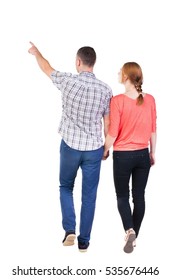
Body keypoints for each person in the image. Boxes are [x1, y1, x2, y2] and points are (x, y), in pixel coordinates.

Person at [28, 42, 113, 252]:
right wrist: (106, 147)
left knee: (66, 187)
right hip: (94, 149)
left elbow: (47, 68)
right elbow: (108, 123)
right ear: (93, 63)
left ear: (78, 62)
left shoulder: (68, 81)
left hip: (70, 147)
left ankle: (69, 230)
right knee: (89, 195)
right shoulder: (105, 90)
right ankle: (84, 242)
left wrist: (37, 53)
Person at [103, 62, 157, 253]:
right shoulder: (150, 99)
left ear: (126, 76)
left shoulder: (117, 100)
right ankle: (133, 237)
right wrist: (152, 152)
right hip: (143, 155)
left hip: (123, 157)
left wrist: (104, 150)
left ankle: (130, 230)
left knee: (122, 195)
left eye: (120, 71)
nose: (118, 72)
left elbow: (113, 133)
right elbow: (153, 129)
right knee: (139, 196)